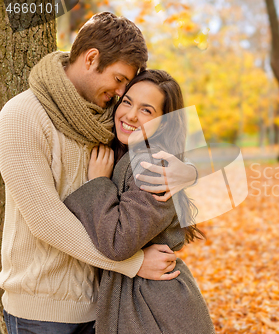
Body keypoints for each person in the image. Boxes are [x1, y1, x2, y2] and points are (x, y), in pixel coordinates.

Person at [0, 12, 196, 333]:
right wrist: (132, 264)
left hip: (102, 308)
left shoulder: (107, 115)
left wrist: (188, 171)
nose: (121, 94)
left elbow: (158, 139)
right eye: (119, 80)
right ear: (92, 59)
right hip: (42, 312)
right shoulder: (22, 115)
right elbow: (45, 220)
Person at [63, 69, 215, 334]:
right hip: (140, 299)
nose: (131, 115)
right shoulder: (129, 152)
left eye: (147, 111)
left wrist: (97, 183)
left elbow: (118, 242)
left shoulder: (152, 164)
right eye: (128, 102)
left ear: (164, 122)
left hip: (154, 308)